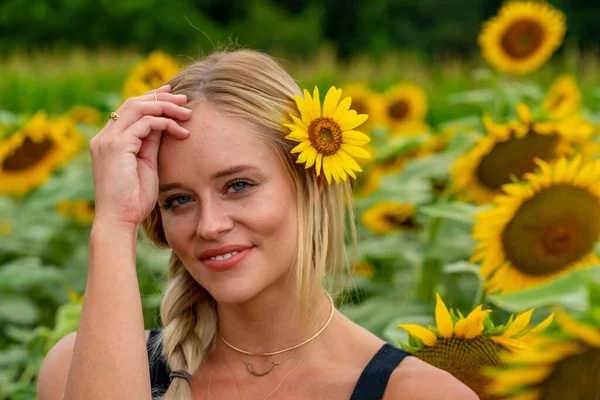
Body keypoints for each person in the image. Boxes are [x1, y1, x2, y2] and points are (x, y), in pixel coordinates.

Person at [37, 49, 478, 400]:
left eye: (239, 185)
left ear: (313, 179)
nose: (209, 225)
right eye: (178, 200)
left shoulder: (419, 393)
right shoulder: (73, 371)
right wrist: (114, 224)